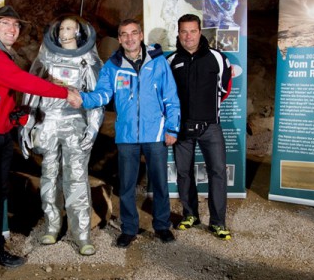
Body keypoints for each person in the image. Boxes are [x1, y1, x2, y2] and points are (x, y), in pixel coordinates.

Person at [0, 5, 79, 280]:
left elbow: (3, 94)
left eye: (15, 25)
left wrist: (20, 116)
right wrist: (64, 93)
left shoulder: (5, 55)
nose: (12, 29)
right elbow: (18, 81)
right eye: (5, 24)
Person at [69, 19, 180, 248]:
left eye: (133, 33)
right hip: (127, 135)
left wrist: (172, 127)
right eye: (124, 34)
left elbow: (171, 97)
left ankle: (161, 226)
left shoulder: (158, 62)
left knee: (159, 183)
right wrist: (82, 99)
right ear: (119, 39)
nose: (129, 38)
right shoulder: (112, 65)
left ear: (141, 35)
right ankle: (129, 229)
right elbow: (102, 95)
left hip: (156, 133)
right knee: (127, 186)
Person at [20, 15, 103, 256]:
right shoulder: (46, 58)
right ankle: (52, 226)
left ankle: (82, 234)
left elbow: (95, 97)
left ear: (79, 32)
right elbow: (32, 93)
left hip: (75, 123)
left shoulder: (88, 61)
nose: (65, 32)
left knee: (76, 177)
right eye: (63, 28)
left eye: (70, 28)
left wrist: (94, 127)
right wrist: (27, 125)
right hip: (48, 123)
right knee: (49, 176)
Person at [167, 14, 233, 240]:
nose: (188, 36)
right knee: (184, 173)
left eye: (193, 31)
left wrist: (206, 111)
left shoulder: (217, 58)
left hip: (210, 127)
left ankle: (218, 222)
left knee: (217, 172)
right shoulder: (171, 60)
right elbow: (167, 94)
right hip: (182, 128)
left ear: (200, 32)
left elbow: (225, 89)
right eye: (184, 31)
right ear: (178, 33)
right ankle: (190, 215)